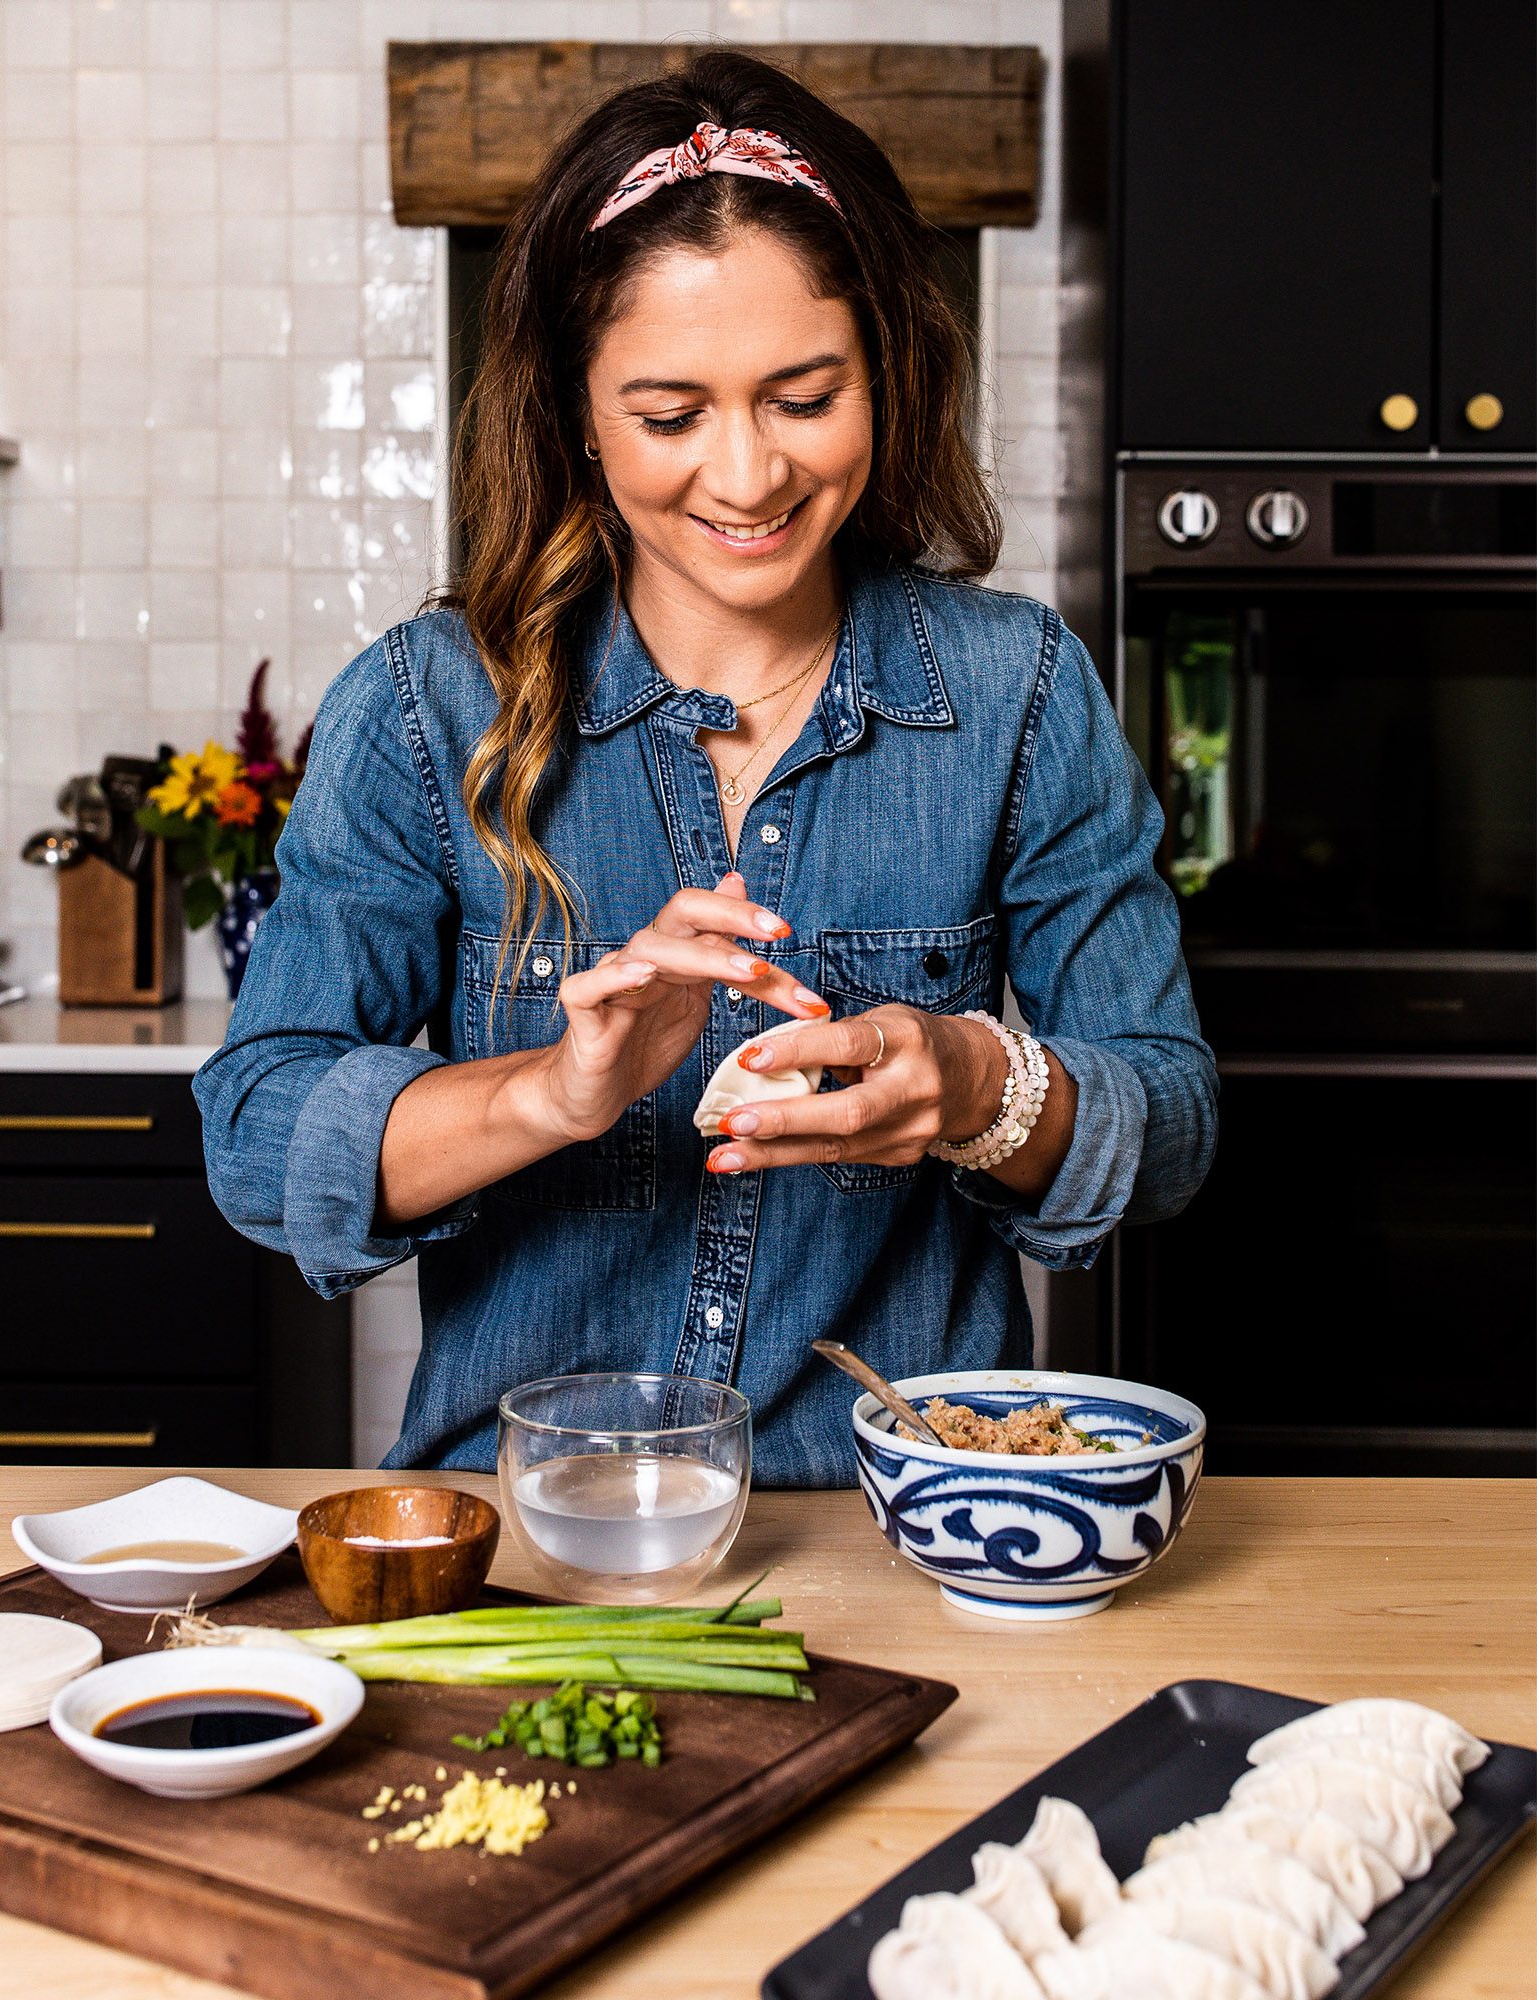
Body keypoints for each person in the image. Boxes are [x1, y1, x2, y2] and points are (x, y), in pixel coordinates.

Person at [195, 52, 1217, 1486]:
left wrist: (973, 1082)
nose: (746, 479)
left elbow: (1165, 1125)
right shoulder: (427, 708)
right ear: (574, 411)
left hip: (901, 1533)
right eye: (672, 416)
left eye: (805, 397)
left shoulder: (1019, 689)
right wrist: (556, 1090)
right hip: (529, 1536)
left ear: (889, 373)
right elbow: (256, 1140)